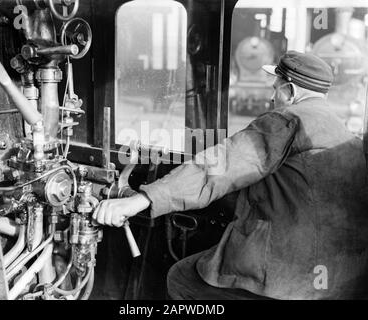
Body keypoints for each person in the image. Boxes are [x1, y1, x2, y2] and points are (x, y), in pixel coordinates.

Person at [93, 51, 368, 300]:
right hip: (344, 278)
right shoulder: (347, 136)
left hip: (290, 282)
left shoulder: (286, 120)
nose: (272, 98)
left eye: (275, 90)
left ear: (291, 90)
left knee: (182, 277)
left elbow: (218, 167)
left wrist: (139, 200)